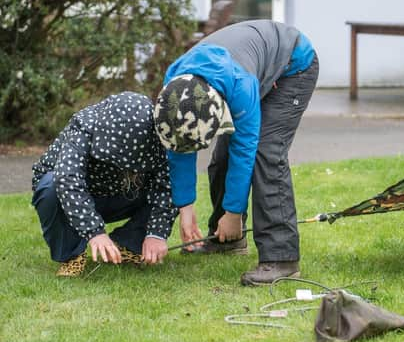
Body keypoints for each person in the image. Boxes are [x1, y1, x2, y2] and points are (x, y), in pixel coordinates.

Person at [154, 19, 318, 286]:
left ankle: (282, 258)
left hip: (294, 65)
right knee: (221, 157)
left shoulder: (241, 86)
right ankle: (226, 240)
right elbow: (177, 145)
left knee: (266, 153)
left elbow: (245, 149)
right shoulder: (175, 87)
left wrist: (233, 212)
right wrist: (185, 207)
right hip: (246, 65)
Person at [32, 92, 178, 277]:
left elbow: (166, 184)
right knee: (50, 186)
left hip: (124, 195)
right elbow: (67, 178)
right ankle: (71, 255)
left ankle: (127, 245)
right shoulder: (84, 124)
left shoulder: (157, 134)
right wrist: (94, 232)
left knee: (176, 185)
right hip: (79, 198)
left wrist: (157, 233)